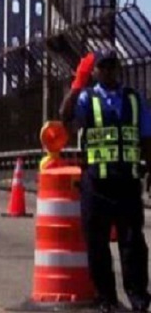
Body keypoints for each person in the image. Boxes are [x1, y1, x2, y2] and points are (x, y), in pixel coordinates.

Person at [61, 50, 151, 312]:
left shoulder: (134, 99)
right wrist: (78, 82)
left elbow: (147, 138)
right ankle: (106, 298)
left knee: (133, 242)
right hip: (96, 183)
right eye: (103, 67)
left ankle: (138, 297)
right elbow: (65, 116)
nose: (109, 71)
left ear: (118, 69)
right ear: (96, 71)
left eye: (112, 66)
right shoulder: (87, 98)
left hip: (127, 182)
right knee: (97, 242)